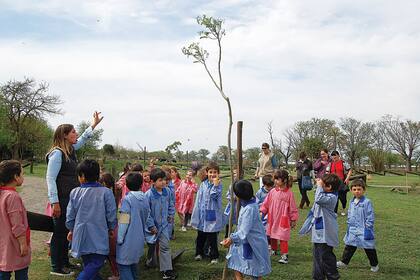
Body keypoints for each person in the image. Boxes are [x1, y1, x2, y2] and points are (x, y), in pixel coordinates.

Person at [46, 111, 103, 276]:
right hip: (61, 199)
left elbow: (83, 139)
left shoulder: (70, 150)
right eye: (73, 132)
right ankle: (56, 267)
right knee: (59, 233)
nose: (76, 134)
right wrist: (54, 202)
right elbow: (50, 179)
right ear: (64, 135)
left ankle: (65, 262)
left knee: (66, 231)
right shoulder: (57, 153)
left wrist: (94, 124)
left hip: (70, 199)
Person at [66, 160, 117, 280]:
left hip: (81, 233)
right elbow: (111, 214)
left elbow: (70, 215)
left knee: (90, 264)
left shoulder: (75, 192)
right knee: (96, 263)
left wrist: (71, 228)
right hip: (99, 234)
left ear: (82, 176)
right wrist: (111, 227)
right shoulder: (106, 193)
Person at [221, 180, 271, 280]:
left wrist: (231, 239)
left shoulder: (249, 209)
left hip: (252, 243)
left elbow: (244, 231)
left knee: (254, 270)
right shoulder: (250, 204)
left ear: (238, 196)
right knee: (238, 265)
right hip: (247, 242)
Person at [299, 174, 341, 280]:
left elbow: (318, 198)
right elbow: (317, 195)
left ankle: (333, 276)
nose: (320, 186)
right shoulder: (326, 194)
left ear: (329, 187)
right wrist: (318, 184)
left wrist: (319, 186)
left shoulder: (332, 197)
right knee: (317, 256)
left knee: (326, 256)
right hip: (319, 231)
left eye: (323, 185)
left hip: (326, 233)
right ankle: (318, 277)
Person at [336, 179, 379, 272]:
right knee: (349, 246)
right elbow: (350, 213)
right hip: (352, 229)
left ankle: (374, 264)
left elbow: (370, 216)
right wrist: (348, 223)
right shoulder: (351, 201)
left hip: (364, 229)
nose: (357, 191)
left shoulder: (367, 202)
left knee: (369, 247)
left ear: (364, 190)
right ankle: (344, 262)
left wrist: (368, 227)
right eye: (354, 189)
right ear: (351, 190)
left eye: (359, 189)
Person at [116, 172, 151, 280]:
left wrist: (120, 238)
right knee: (134, 264)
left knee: (124, 264)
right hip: (139, 238)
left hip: (127, 239)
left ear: (126, 185)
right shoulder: (145, 198)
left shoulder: (128, 199)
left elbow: (124, 220)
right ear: (141, 184)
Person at [0, 160, 30, 280]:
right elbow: (17, 224)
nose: (23, 177)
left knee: (3, 270)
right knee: (21, 271)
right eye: (22, 174)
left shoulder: (3, 193)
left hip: (3, 243)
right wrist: (23, 244)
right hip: (15, 243)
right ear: (15, 177)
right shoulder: (12, 197)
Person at [144, 168, 177, 280]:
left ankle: (166, 271)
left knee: (165, 247)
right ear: (153, 182)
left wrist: (171, 215)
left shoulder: (167, 191)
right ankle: (150, 261)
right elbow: (146, 212)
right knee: (152, 246)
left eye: (164, 179)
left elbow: (171, 204)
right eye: (160, 180)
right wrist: (151, 225)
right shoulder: (148, 195)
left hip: (164, 226)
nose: (163, 182)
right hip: (152, 228)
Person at [260, 169, 298, 264]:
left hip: (283, 219)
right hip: (272, 218)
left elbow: (293, 207)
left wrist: (293, 219)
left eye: (278, 179)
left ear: (284, 180)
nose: (275, 181)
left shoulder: (289, 193)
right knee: (272, 234)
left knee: (282, 237)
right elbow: (266, 203)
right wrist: (262, 212)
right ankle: (273, 250)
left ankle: (284, 255)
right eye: (275, 179)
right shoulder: (272, 191)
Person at [191, 161, 223, 264]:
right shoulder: (203, 184)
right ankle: (199, 253)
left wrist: (215, 185)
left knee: (212, 235)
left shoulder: (218, 185)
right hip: (202, 212)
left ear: (218, 173)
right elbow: (199, 199)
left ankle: (214, 256)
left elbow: (214, 195)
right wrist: (197, 212)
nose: (213, 174)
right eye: (210, 172)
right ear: (207, 173)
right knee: (201, 234)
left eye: (215, 172)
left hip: (211, 212)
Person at [98, 172, 119, 280]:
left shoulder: (106, 194)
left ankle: (116, 274)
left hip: (108, 227)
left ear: (104, 183)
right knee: (112, 253)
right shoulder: (114, 192)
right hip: (114, 226)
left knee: (111, 254)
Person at [326, 151, 352, 215]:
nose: (334, 157)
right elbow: (327, 172)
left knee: (343, 197)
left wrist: (347, 178)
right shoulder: (330, 164)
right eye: (332, 156)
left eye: (335, 155)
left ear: (338, 155)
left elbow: (350, 170)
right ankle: (334, 211)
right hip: (333, 183)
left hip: (342, 182)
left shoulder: (343, 163)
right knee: (334, 197)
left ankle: (343, 208)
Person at [255, 174, 274, 245]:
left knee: (271, 227)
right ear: (264, 184)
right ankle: (264, 240)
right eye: (268, 186)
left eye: (271, 186)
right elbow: (257, 202)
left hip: (272, 213)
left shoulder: (274, 191)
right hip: (263, 213)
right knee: (264, 227)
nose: (270, 188)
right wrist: (263, 206)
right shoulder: (260, 192)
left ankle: (270, 241)